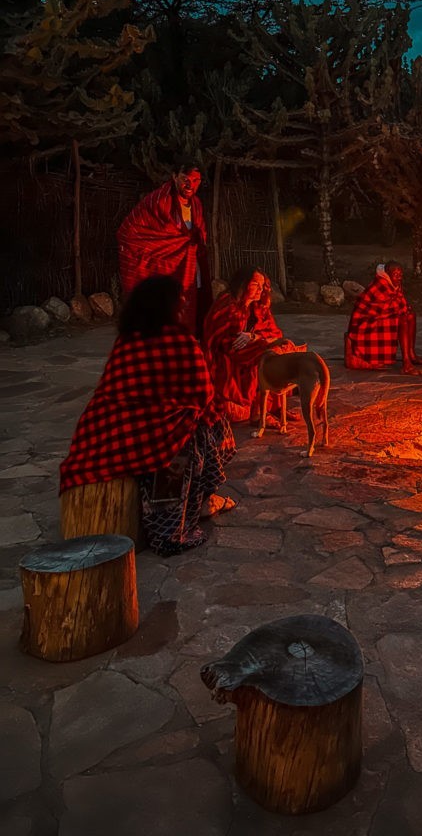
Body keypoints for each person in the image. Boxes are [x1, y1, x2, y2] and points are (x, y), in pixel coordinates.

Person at [59, 276, 236, 556]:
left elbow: (112, 390)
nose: (184, 305)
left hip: (107, 431)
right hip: (154, 437)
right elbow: (203, 395)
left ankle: (194, 501)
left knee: (193, 422)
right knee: (202, 427)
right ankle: (179, 519)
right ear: (169, 307)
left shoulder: (127, 343)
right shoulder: (180, 343)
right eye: (181, 301)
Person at [117, 160, 211, 336]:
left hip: (190, 265)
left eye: (196, 180)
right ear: (174, 177)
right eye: (186, 179)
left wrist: (191, 245)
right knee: (167, 309)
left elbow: (197, 236)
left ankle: (187, 343)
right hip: (166, 268)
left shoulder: (196, 204)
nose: (190, 184)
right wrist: (177, 245)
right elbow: (128, 232)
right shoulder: (159, 201)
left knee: (190, 306)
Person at [204, 266, 304, 422]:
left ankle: (275, 408)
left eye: (262, 285)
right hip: (227, 353)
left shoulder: (259, 306)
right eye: (255, 284)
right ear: (243, 285)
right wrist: (249, 343)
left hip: (251, 346)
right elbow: (217, 339)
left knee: (283, 349)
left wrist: (254, 337)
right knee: (262, 359)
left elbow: (274, 333)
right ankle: (258, 414)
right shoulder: (227, 304)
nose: (260, 289)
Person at [345, 261, 422, 375]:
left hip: (378, 317)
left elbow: (399, 301)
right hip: (364, 325)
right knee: (402, 320)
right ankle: (406, 364)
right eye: (396, 275)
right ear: (388, 274)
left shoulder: (394, 283)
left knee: (410, 315)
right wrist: (402, 311)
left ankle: (411, 355)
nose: (399, 277)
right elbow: (383, 309)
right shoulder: (380, 284)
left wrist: (406, 309)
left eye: (400, 275)